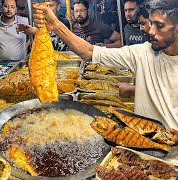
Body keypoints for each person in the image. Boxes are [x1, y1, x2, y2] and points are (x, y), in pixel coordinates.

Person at [32, 0, 178, 159]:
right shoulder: (143, 53)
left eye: (160, 26)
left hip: (173, 158)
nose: (151, 31)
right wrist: (55, 25)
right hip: (137, 152)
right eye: (151, 24)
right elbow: (89, 52)